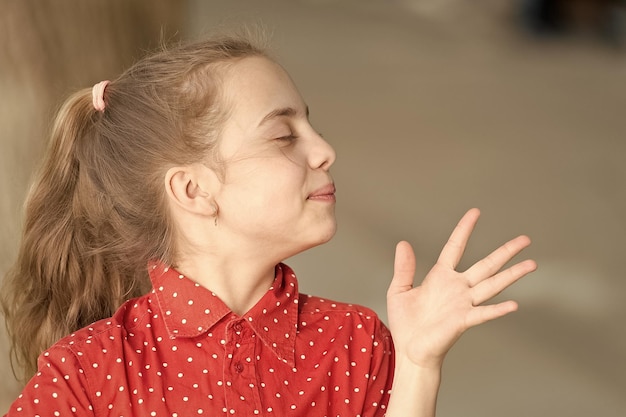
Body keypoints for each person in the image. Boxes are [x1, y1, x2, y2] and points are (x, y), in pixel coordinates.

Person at [1, 33, 536, 417]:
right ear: (194, 190)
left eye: (311, 125)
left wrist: (419, 364)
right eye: (284, 136)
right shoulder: (89, 374)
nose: (325, 150)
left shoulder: (356, 344)